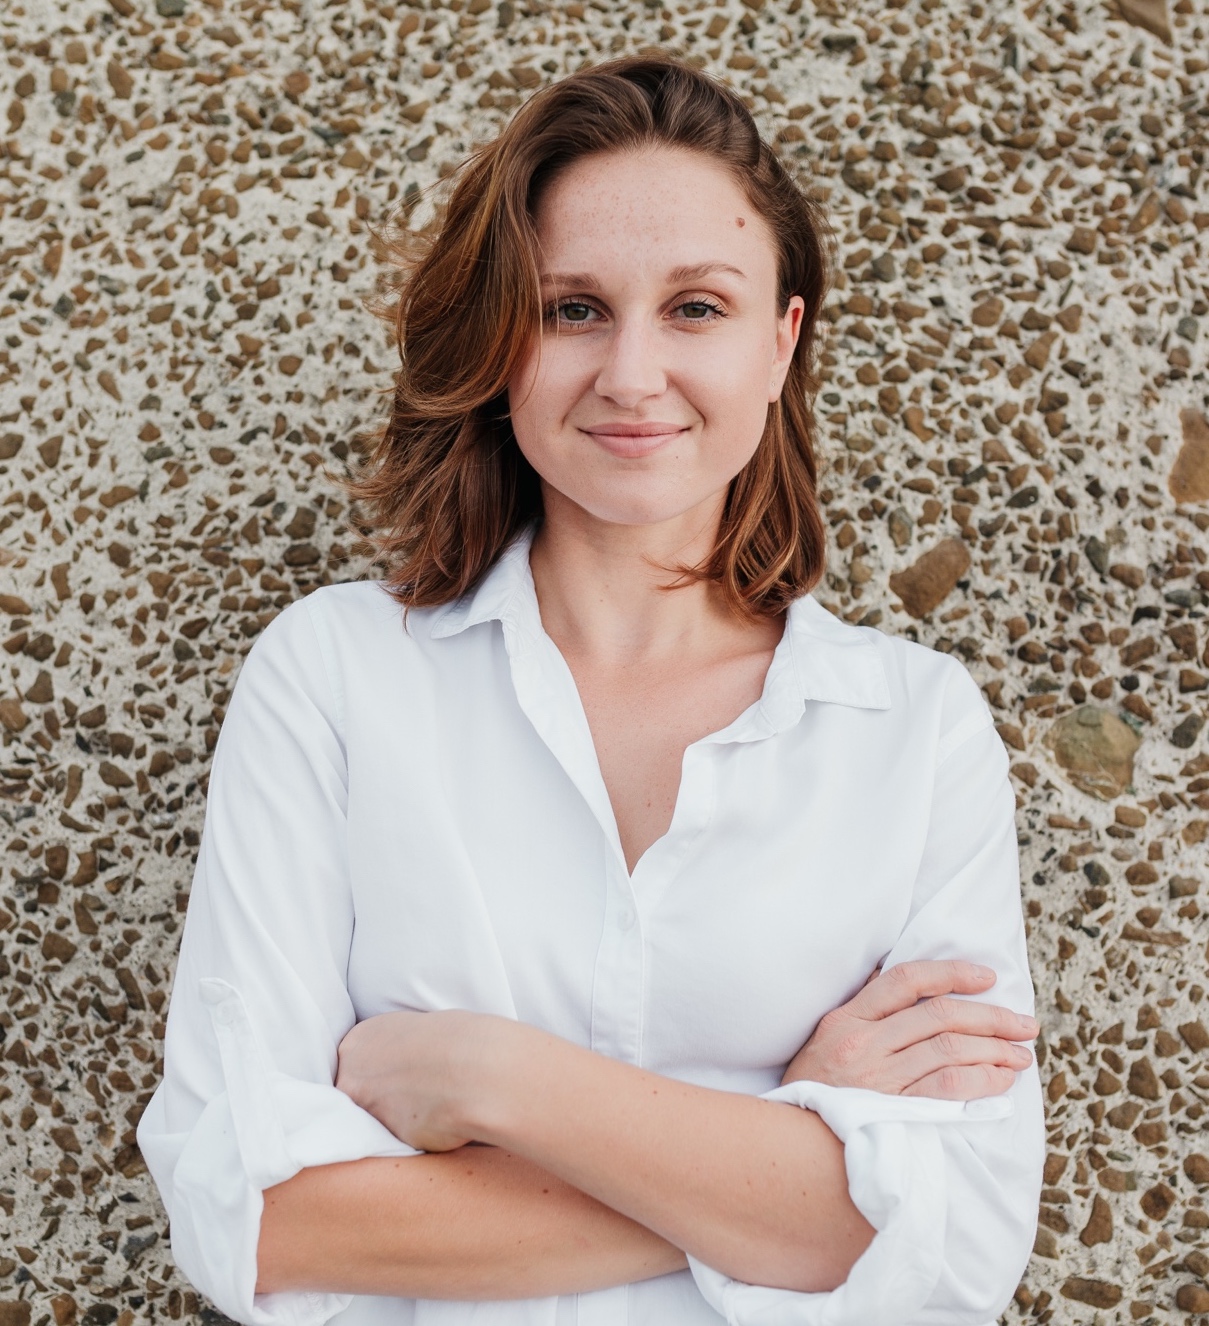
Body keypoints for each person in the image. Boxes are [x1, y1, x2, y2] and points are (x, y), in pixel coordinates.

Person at [137, 53, 1044, 1326]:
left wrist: (497, 1080)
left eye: (695, 308)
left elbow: (960, 1241)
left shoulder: (915, 730)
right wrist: (786, 1142)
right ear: (503, 343)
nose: (630, 374)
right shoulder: (336, 677)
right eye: (572, 309)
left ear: (781, 344)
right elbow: (259, 1220)